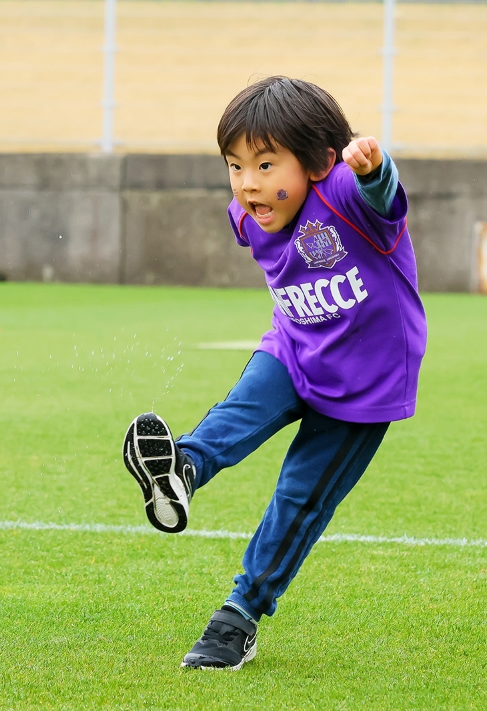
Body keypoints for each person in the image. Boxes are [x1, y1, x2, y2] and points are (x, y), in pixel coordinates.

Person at [122, 76, 427, 670]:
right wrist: (257, 189)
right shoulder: (246, 214)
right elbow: (251, 209)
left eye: (265, 164)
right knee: (236, 412)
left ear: (317, 162)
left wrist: (373, 168)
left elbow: (385, 198)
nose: (247, 184)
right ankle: (180, 470)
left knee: (298, 498)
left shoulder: (342, 189)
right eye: (235, 166)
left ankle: (239, 615)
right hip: (293, 347)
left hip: (365, 383)